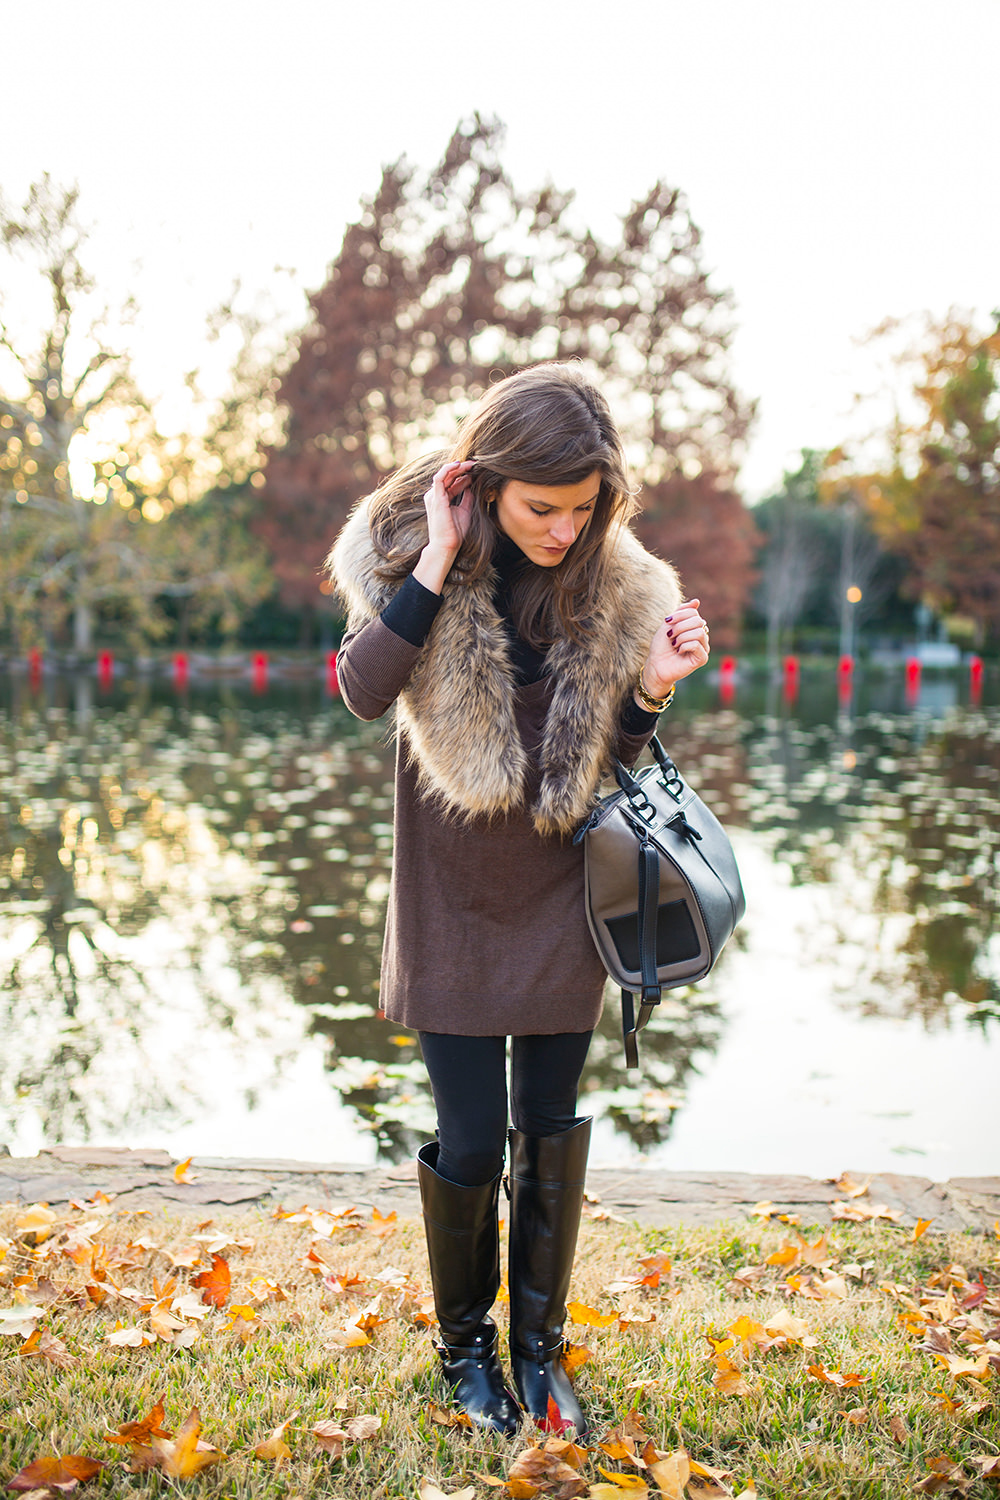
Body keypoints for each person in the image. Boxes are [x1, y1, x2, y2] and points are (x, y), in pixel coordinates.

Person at [328, 363, 710, 1438]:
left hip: (558, 895)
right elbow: (362, 690)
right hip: (448, 894)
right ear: (487, 480)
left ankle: (538, 1358)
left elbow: (605, 763)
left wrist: (652, 689)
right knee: (473, 1138)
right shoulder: (409, 544)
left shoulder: (614, 581)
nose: (562, 529)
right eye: (543, 508)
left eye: (584, 511)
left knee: (547, 1122)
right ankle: (464, 1357)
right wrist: (439, 563)